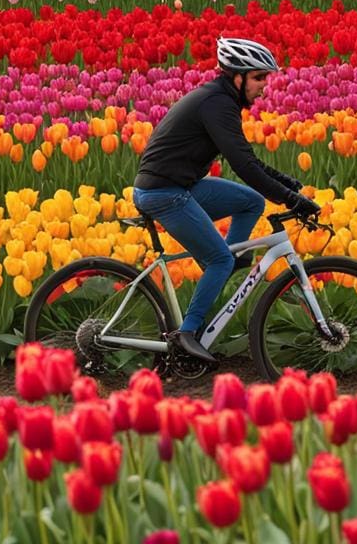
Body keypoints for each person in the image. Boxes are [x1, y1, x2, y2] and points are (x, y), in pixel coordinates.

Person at [132, 38, 321, 363]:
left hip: (182, 186)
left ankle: (228, 265)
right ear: (238, 77)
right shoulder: (216, 105)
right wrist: (291, 199)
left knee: (250, 202)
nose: (264, 87)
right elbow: (244, 165)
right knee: (218, 260)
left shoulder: (221, 101)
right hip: (163, 193)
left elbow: (247, 159)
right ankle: (188, 334)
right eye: (259, 78)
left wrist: (289, 186)